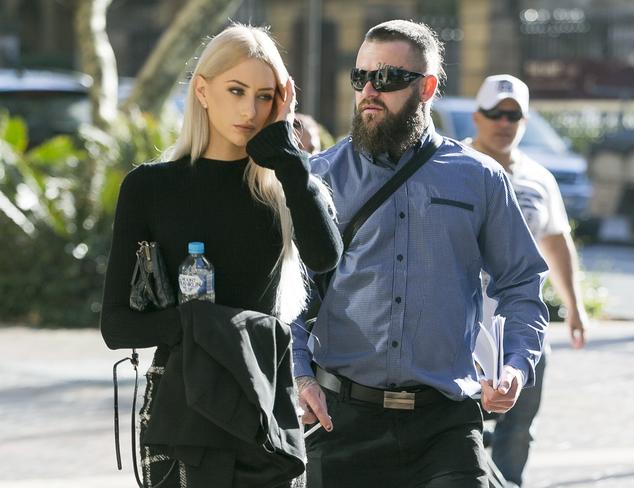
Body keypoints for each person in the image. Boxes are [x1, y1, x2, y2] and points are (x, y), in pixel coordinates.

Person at [291, 19, 549, 488]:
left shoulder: (481, 179)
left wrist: (514, 365)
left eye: (387, 78)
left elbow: (522, 284)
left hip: (445, 423)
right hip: (341, 417)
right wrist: (300, 376)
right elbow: (287, 296)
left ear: (426, 86)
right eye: (360, 77)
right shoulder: (318, 180)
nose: (369, 90)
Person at [100, 23, 342, 488]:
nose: (250, 110)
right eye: (236, 90)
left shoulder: (285, 187)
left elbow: (325, 256)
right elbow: (116, 326)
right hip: (181, 410)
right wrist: (211, 327)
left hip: (263, 403)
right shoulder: (151, 187)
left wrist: (287, 155)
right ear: (203, 91)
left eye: (265, 96)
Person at [468, 74, 588, 487]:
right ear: (477, 117)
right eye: (495, 113)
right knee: (462, 433)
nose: (504, 122)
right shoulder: (453, 168)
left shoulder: (540, 178)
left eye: (514, 115)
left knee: (518, 431)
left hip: (523, 331)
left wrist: (575, 308)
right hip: (464, 331)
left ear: (525, 120)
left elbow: (557, 244)